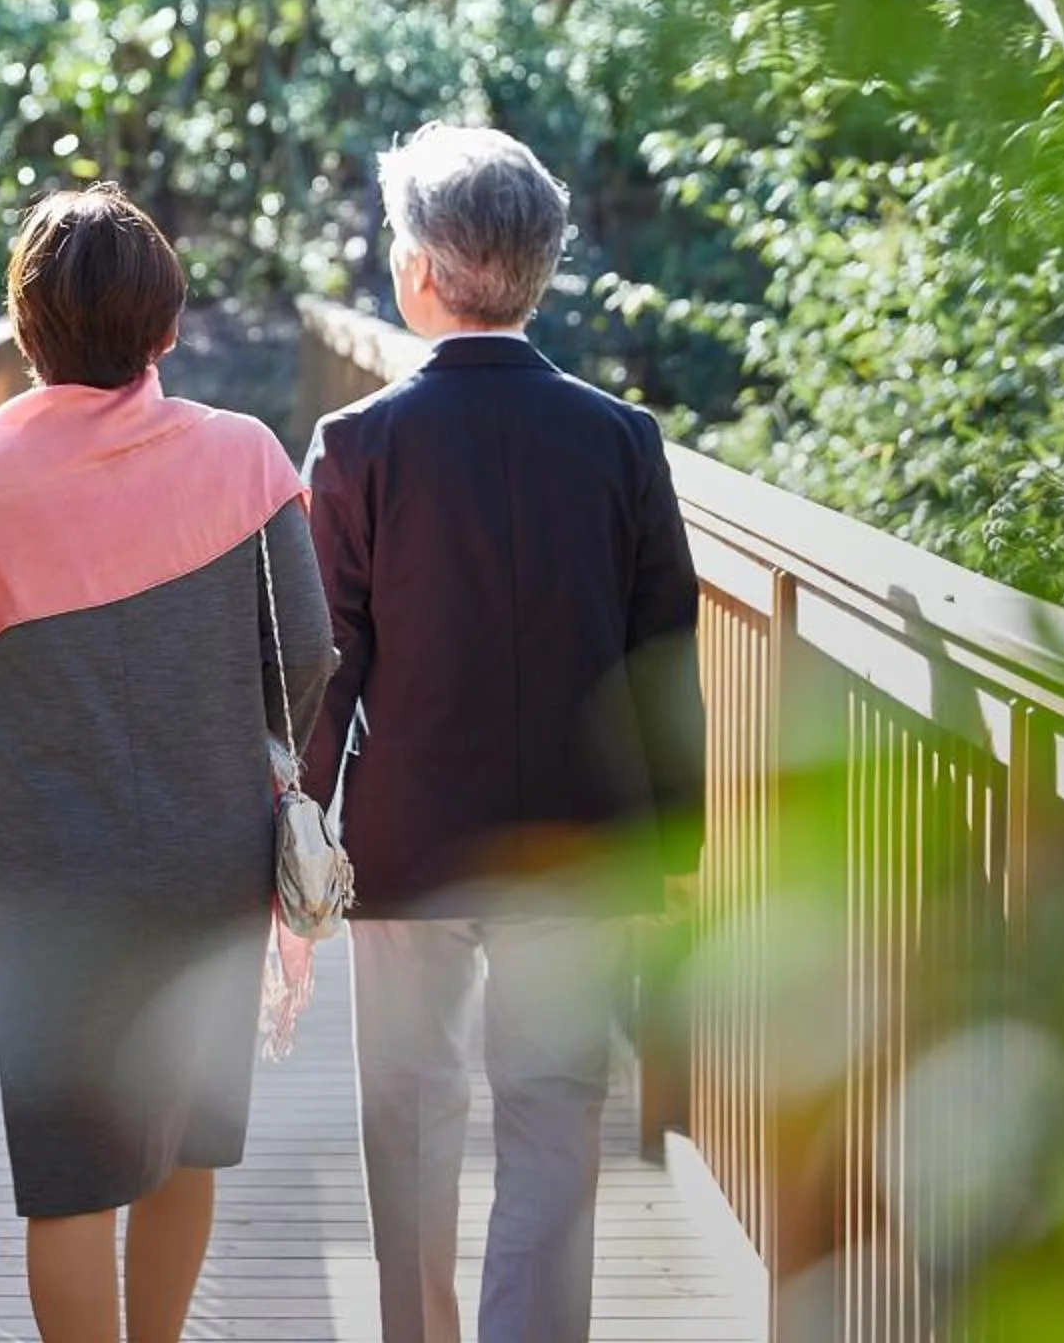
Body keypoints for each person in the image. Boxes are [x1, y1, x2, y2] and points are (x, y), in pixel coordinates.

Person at [0, 183, 334, 1343]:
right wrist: (247, 740)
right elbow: (312, 652)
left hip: (53, 877)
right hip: (210, 854)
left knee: (70, 1172)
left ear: (27, 329)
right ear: (166, 328)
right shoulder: (243, 459)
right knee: (185, 1139)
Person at [303, 122, 704, 1343]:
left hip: (406, 834)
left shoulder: (358, 444)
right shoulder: (621, 438)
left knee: (408, 1114)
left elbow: (331, 662)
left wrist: (297, 816)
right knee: (552, 1114)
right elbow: (663, 652)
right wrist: (671, 848)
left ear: (418, 269)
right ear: (538, 270)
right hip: (578, 843)